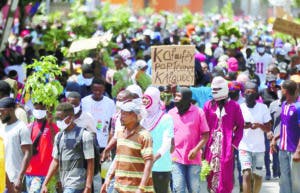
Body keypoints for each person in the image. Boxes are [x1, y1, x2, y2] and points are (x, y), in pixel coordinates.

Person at [41, 102, 95, 193]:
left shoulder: (85, 135)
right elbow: (55, 161)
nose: (57, 121)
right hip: (64, 184)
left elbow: (91, 162)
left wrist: (88, 186)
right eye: (56, 118)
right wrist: (45, 183)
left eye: (60, 118)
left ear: (70, 118)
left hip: (76, 183)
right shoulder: (59, 136)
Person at [101, 101, 154, 193]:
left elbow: (149, 163)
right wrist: (108, 178)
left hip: (136, 188)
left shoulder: (144, 135)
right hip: (119, 187)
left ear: (134, 116)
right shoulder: (120, 133)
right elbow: (118, 158)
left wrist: (141, 187)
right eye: (121, 113)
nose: (121, 117)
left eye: (124, 114)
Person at [204, 76, 244, 193]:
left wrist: (233, 145)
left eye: (217, 90)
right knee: (210, 176)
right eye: (213, 90)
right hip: (210, 147)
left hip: (227, 148)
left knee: (226, 178)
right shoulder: (208, 105)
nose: (214, 92)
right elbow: (203, 128)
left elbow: (240, 127)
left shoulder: (234, 106)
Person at [168, 87, 209, 193]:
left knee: (194, 190)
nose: (176, 98)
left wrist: (196, 150)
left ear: (186, 99)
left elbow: (205, 135)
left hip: (194, 158)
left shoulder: (199, 112)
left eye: (179, 96)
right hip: (176, 157)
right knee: (178, 188)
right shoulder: (170, 113)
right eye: (175, 95)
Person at [238, 81, 272, 193]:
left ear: (256, 94)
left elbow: (268, 128)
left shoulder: (263, 108)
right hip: (244, 146)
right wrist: (243, 126)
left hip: (259, 148)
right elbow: (233, 128)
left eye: (252, 92)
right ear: (243, 94)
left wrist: (259, 125)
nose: (249, 94)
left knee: (257, 176)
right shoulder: (239, 108)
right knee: (246, 174)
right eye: (247, 92)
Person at [66, 91, 101, 193]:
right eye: (71, 104)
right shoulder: (64, 118)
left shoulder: (87, 117)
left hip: (85, 157)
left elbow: (94, 136)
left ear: (80, 103)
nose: (73, 106)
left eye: (75, 104)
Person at [141, 87, 174, 193]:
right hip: (143, 165)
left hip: (161, 167)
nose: (144, 101)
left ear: (155, 100)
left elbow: (167, 143)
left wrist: (154, 158)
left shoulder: (166, 118)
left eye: (148, 98)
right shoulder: (142, 118)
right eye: (144, 98)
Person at [270, 80, 300, 193]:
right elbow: (284, 126)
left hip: (294, 150)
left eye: (281, 88)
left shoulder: (298, 107)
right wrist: (274, 139)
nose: (280, 90)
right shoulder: (284, 105)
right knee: (284, 179)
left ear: (286, 91)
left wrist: (298, 151)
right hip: (282, 148)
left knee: (296, 180)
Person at [25, 102, 59, 193]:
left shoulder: (53, 127)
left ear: (46, 110)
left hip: (45, 173)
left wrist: (51, 124)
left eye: (42, 109)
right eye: (36, 108)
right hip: (29, 173)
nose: (39, 111)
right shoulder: (28, 127)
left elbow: (56, 144)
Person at [0, 97, 32, 193]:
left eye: (2, 111)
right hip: (3, 179)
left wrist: (20, 177)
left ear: (11, 110)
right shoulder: (2, 128)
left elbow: (28, 153)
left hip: (14, 180)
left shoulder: (21, 128)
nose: (0, 114)